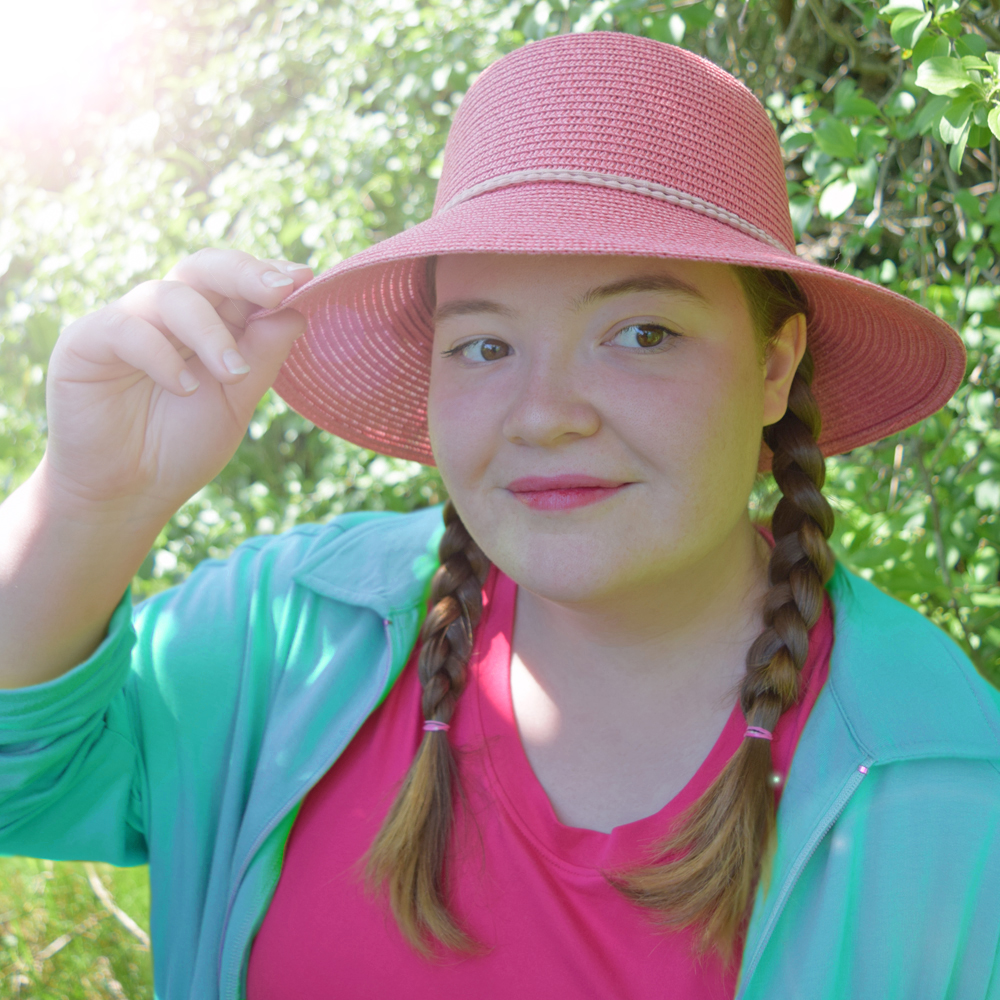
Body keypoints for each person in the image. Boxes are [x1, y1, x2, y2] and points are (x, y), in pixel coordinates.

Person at [1, 29, 998, 1000]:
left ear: (774, 366)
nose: (544, 415)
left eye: (642, 333)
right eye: (483, 346)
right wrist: (89, 501)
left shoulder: (949, 795)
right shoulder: (291, 634)